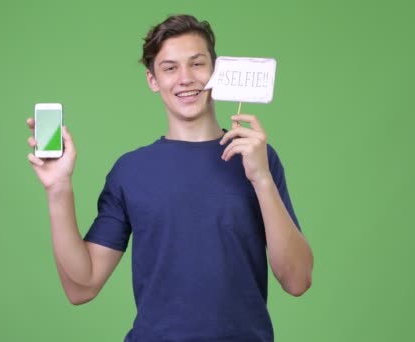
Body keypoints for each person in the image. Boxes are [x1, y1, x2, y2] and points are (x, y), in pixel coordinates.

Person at [26, 14, 313, 342]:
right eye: (170, 68)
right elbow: (82, 286)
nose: (186, 78)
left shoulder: (258, 157)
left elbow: (297, 280)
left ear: (215, 70)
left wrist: (261, 177)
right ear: (153, 80)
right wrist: (58, 188)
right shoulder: (130, 171)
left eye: (197, 63)